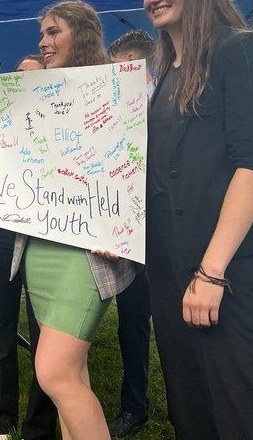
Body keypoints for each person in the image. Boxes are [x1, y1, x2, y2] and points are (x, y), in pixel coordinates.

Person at [143, 0, 253, 438]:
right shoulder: (165, 75)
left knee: (242, 411)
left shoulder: (242, 49)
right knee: (191, 410)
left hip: (224, 271)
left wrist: (212, 272)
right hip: (169, 271)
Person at [0, 1, 137, 439]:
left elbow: (136, 167)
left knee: (53, 372)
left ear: (82, 34)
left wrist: (122, 227)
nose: (44, 43)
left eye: (53, 33)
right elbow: (25, 165)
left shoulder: (116, 90)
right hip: (38, 249)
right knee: (73, 375)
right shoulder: (38, 95)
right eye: (42, 35)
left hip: (87, 253)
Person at [0, 53, 59, 440]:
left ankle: (39, 426)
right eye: (18, 74)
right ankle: (2, 422)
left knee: (47, 336)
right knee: (0, 330)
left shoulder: (64, 118)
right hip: (0, 233)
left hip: (46, 234)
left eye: (33, 75)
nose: (23, 79)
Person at [104, 30, 155, 437]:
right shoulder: (112, 114)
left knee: (178, 326)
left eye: (132, 63)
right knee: (132, 325)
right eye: (118, 65)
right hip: (127, 238)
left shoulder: (172, 104)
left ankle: (187, 402)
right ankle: (134, 407)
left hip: (171, 236)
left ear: (148, 64)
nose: (126, 71)